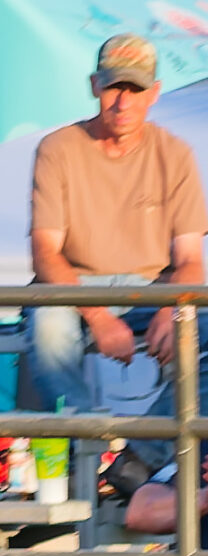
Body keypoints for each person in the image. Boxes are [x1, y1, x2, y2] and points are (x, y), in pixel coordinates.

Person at [27, 34, 205, 424]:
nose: (123, 102)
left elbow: (191, 260)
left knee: (202, 324)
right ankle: (85, 441)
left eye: (135, 89)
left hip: (155, 289)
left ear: (154, 93)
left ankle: (148, 448)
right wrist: (98, 316)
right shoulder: (57, 149)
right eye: (113, 87)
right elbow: (45, 254)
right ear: (95, 85)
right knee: (49, 329)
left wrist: (172, 308)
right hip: (74, 288)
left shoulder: (175, 155)